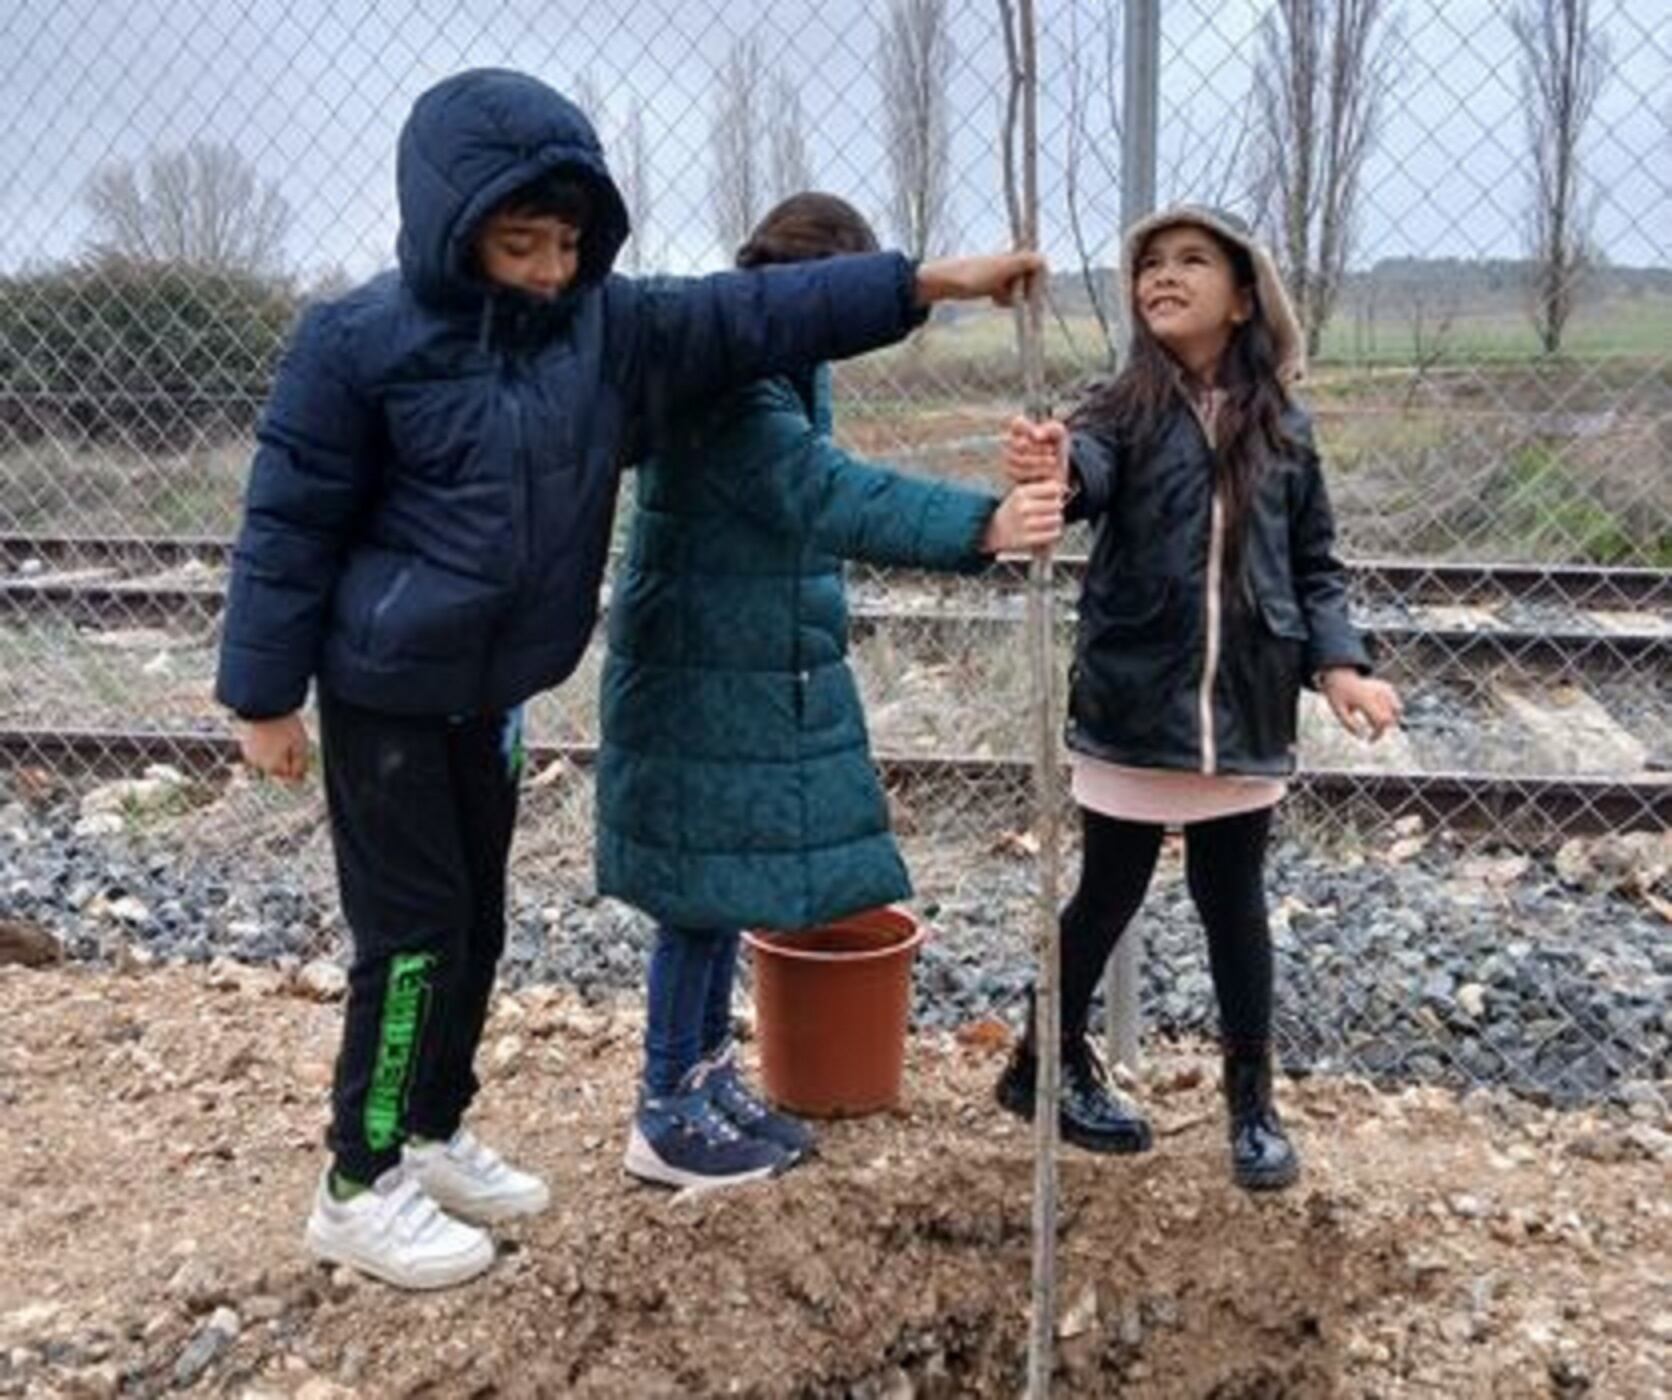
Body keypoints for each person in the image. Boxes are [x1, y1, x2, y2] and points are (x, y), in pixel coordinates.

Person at [215, 67, 1044, 1289]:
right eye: (520, 241)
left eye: (566, 242)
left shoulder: (604, 329)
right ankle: (357, 1178)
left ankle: (432, 1131)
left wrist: (925, 281)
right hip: (385, 692)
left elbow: (746, 315)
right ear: (452, 227)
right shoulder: (356, 342)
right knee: (410, 939)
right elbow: (287, 521)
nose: (550, 267)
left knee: (477, 928)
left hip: (491, 694)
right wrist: (262, 694)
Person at [593, 192, 1067, 1190]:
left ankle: (703, 1070)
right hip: (701, 669)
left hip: (728, 662)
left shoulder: (766, 357)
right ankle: (666, 1105)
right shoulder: (732, 380)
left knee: (716, 886)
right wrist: (982, 524)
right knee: (695, 892)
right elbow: (823, 492)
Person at [995, 205, 1401, 1190]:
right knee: (1107, 891)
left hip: (1247, 706)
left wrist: (1339, 662)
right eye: (1148, 265)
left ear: (1243, 294)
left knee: (1234, 904)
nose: (1162, 276)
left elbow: (1315, 565)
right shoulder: (1116, 410)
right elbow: (1083, 473)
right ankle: (1037, 1061)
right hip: (1138, 701)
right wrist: (1050, 464)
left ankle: (1250, 1105)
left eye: (1190, 261)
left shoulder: (1285, 427)